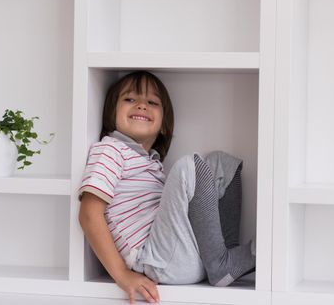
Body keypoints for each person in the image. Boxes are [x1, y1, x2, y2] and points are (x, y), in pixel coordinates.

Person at [78, 71, 255, 304]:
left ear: (163, 125)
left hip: (186, 255)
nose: (141, 105)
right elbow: (89, 215)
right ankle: (224, 263)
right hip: (156, 261)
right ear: (111, 113)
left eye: (152, 102)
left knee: (222, 163)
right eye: (130, 99)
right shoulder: (110, 149)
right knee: (188, 166)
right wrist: (122, 275)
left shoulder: (151, 162)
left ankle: (225, 254)